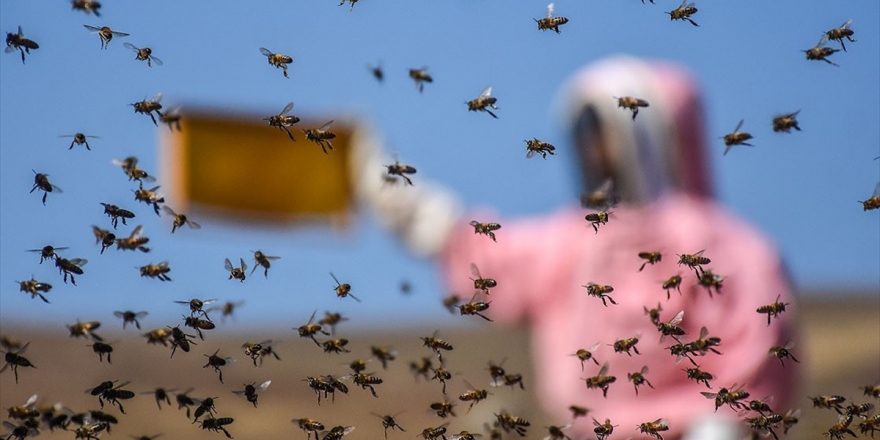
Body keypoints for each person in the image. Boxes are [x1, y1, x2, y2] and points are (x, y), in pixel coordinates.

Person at [353, 55, 798, 440]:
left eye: (601, 132)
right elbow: (474, 249)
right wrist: (388, 188)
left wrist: (717, 425)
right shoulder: (569, 243)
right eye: (584, 134)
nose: (592, 150)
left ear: (645, 134)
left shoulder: (728, 247)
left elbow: (755, 357)